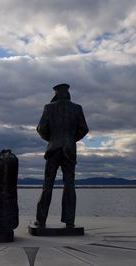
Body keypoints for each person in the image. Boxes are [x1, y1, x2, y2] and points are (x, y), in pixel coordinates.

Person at [35, 83, 89, 228]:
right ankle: (69, 220)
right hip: (69, 150)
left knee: (47, 185)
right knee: (69, 184)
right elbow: (84, 129)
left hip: (53, 149)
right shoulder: (77, 108)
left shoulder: (49, 108)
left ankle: (41, 220)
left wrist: (52, 139)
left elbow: (41, 129)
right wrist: (71, 139)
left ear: (56, 94)